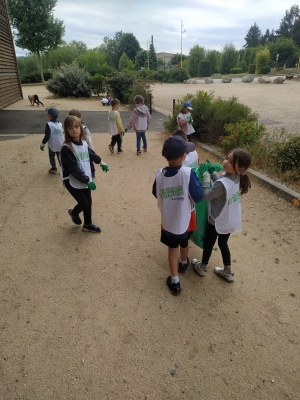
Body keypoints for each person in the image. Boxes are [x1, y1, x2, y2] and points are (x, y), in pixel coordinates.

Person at [152, 136, 203, 295]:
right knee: (184, 242)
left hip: (168, 221)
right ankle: (183, 263)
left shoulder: (160, 174)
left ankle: (175, 281)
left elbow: (155, 192)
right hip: (184, 220)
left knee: (172, 249)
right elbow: (198, 196)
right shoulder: (188, 174)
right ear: (183, 156)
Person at [191, 148, 252, 282]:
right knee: (223, 243)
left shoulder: (223, 183)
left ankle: (202, 267)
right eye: (226, 158)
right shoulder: (237, 177)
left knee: (209, 242)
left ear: (240, 168)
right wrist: (213, 173)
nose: (225, 162)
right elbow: (221, 183)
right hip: (230, 219)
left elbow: (207, 195)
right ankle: (227, 271)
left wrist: (206, 179)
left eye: (231, 161)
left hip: (217, 220)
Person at [60, 115, 109, 233]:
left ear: (81, 127)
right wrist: (87, 180)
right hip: (72, 180)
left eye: (76, 127)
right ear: (66, 130)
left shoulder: (84, 143)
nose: (74, 130)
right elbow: (73, 168)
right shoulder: (66, 148)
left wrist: (101, 162)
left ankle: (87, 224)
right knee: (84, 203)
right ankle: (74, 212)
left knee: (89, 202)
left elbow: (91, 154)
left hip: (85, 178)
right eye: (70, 128)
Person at [68, 109, 96, 179]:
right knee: (80, 163)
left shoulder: (83, 128)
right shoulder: (71, 129)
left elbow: (86, 139)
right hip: (78, 149)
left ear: (80, 117)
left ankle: (92, 174)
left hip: (86, 148)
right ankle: (83, 175)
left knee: (89, 162)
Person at [40, 108, 64, 173]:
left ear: (50, 115)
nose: (47, 114)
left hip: (52, 144)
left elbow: (47, 136)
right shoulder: (60, 124)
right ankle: (63, 169)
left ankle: (54, 168)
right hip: (60, 143)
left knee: (51, 156)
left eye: (48, 113)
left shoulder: (49, 124)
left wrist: (43, 144)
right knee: (60, 157)